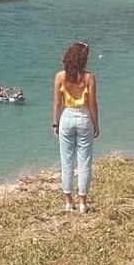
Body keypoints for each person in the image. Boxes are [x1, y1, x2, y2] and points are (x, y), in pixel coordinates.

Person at [53, 41, 100, 214]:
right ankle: (83, 202)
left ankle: (68, 201)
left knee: (66, 161)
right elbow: (93, 103)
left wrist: (55, 122)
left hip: (66, 117)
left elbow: (58, 103)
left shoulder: (60, 77)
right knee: (84, 161)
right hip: (84, 117)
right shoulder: (89, 78)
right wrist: (96, 124)